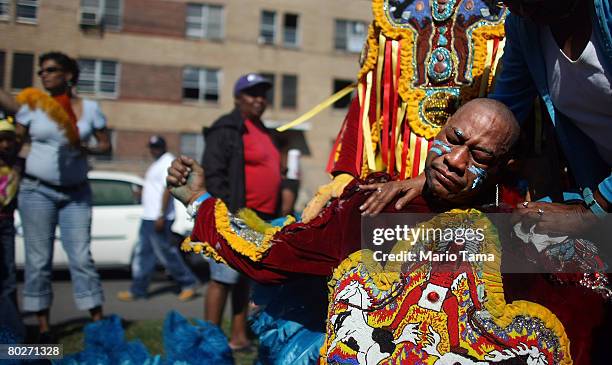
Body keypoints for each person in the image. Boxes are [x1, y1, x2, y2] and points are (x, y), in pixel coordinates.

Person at [169, 99, 610, 364]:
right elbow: (271, 255)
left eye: (479, 157)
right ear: (436, 131)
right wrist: (199, 201)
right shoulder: (374, 208)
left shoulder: (521, 233)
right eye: (454, 139)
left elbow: (586, 315)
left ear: (502, 170)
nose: (455, 160)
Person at [301, 0, 510, 222]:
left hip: (477, 191)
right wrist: (346, 173)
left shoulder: (508, 10)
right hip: (397, 184)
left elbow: (516, 108)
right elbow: (371, 97)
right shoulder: (393, 11)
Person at [490, 0, 611, 234]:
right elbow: (503, 111)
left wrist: (594, 210)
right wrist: (437, 170)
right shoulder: (525, 27)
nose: (519, 9)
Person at [14, 51, 111, 341]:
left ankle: (97, 322)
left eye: (51, 70)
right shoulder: (33, 106)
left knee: (81, 256)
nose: (43, 75)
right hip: (36, 191)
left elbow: (105, 144)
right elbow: (15, 141)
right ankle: (43, 327)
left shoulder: (91, 109)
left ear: (68, 75)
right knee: (39, 259)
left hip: (76, 193)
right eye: (41, 70)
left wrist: (89, 149)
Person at [201, 73, 281, 351]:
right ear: (237, 98)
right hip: (233, 216)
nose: (259, 99)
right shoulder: (227, 128)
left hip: (261, 219)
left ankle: (238, 337)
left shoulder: (261, 129)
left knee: (244, 280)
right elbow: (213, 172)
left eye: (263, 94)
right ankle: (210, 342)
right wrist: (227, 214)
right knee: (222, 278)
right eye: (252, 93)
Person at [117, 135, 198, 301]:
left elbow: (168, 189)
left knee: (166, 254)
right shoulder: (156, 163)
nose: (154, 150)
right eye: (152, 147)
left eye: (157, 147)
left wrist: (161, 214)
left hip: (159, 217)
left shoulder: (167, 162)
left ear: (163, 147)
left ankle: (188, 283)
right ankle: (138, 290)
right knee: (144, 255)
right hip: (149, 216)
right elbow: (154, 189)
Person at [0, 115, 25, 339]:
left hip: (6, 223)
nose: (5, 145)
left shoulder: (16, 164)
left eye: (8, 140)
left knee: (7, 277)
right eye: (1, 140)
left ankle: (13, 336)